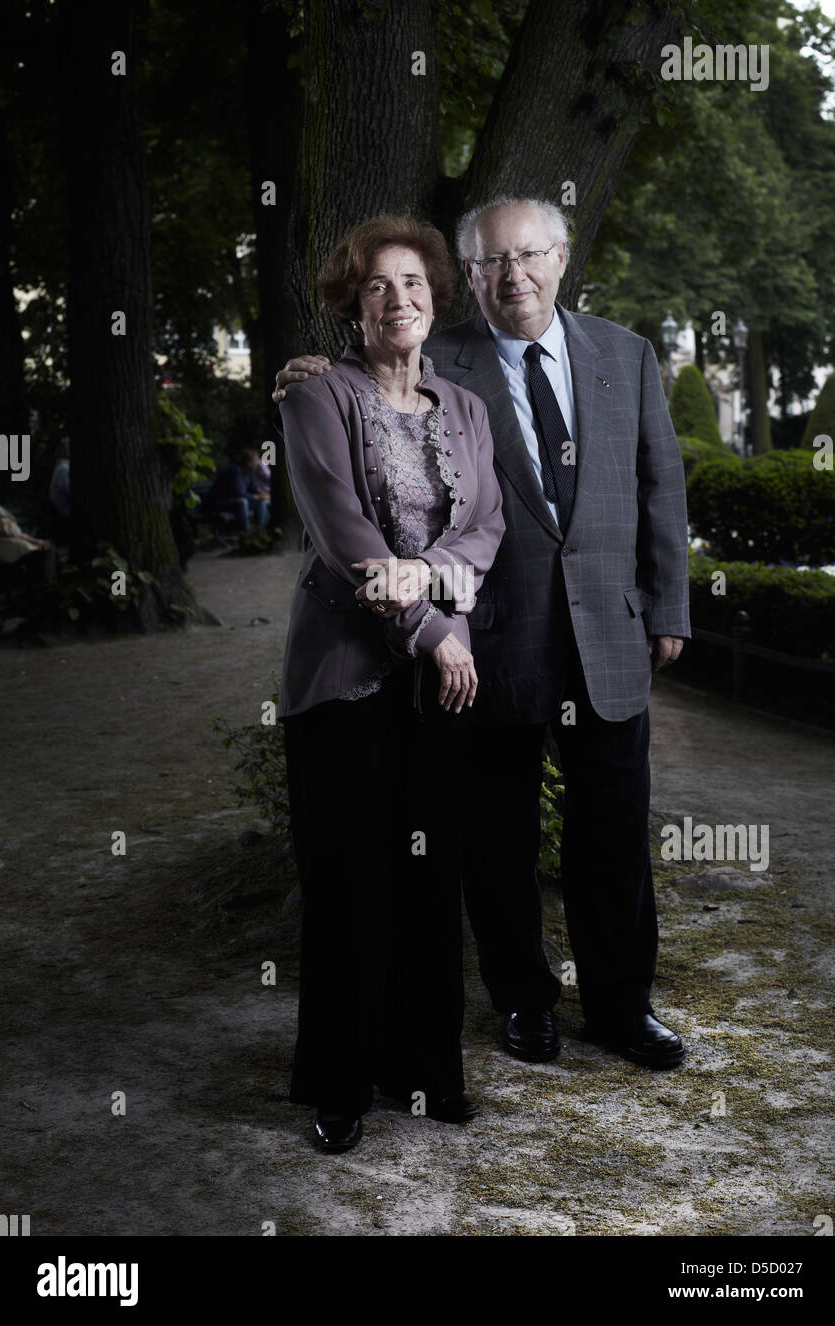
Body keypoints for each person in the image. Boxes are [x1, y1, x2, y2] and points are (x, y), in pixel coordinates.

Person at [274, 196, 691, 1074]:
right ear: (470, 275)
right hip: (491, 641)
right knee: (495, 839)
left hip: (608, 636)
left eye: (531, 256)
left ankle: (622, 1007)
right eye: (495, 262)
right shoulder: (441, 357)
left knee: (613, 834)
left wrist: (670, 609)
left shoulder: (628, 355)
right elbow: (361, 390)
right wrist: (305, 372)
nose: (515, 276)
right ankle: (524, 1002)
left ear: (561, 258)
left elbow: (661, 486)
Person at [276, 215, 504, 1153]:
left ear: (435, 299)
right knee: (347, 884)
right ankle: (341, 1084)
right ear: (351, 303)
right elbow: (345, 539)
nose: (399, 300)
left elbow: (485, 527)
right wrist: (436, 632)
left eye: (414, 284)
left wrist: (432, 581)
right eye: (378, 286)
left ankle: (425, 1071)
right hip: (344, 683)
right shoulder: (316, 397)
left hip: (435, 691)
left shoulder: (466, 409)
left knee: (426, 878)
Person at [0, 467, 58, 599]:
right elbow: (10, 529)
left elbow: (12, 531)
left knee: (47, 548)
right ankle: (46, 597)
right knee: (45, 553)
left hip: (9, 546)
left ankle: (46, 596)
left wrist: (34, 540)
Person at [204, 449, 269, 533]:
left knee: (260, 502)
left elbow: (254, 489)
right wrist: (256, 496)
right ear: (248, 462)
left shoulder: (249, 472)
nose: (258, 463)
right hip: (217, 503)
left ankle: (261, 532)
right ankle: (245, 533)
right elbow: (239, 493)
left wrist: (261, 494)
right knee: (242, 502)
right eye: (256, 460)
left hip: (233, 502)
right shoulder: (234, 471)